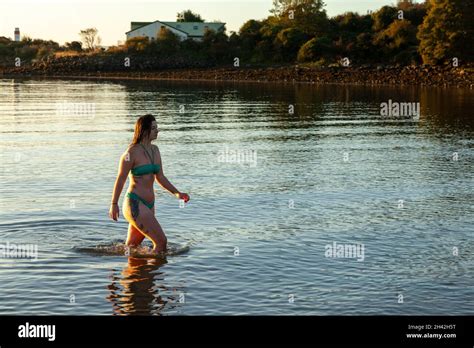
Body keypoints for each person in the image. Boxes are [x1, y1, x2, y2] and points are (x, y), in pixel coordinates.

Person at [109, 114, 190, 254]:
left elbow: (161, 177)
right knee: (161, 242)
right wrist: (114, 204)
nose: (157, 131)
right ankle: (153, 274)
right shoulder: (131, 153)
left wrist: (177, 193)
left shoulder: (155, 150)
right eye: (154, 128)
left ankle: (132, 275)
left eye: (157, 128)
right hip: (135, 203)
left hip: (149, 205)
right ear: (144, 130)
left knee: (131, 247)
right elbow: (120, 179)